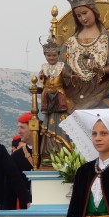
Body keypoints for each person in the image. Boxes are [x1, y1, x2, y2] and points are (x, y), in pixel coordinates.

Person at [61, 0, 109, 111]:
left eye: (85, 13)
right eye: (78, 15)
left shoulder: (108, 40)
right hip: (75, 90)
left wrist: (101, 70)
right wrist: (69, 74)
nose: (83, 18)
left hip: (101, 88)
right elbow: (61, 67)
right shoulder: (70, 43)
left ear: (93, 11)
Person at [38, 35, 71, 164]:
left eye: (54, 55)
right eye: (49, 56)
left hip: (59, 97)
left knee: (60, 121)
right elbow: (42, 80)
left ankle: (62, 150)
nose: (51, 58)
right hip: (47, 98)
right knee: (47, 122)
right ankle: (48, 153)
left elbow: (68, 79)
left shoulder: (62, 67)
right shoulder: (44, 68)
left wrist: (70, 76)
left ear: (58, 55)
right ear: (45, 56)